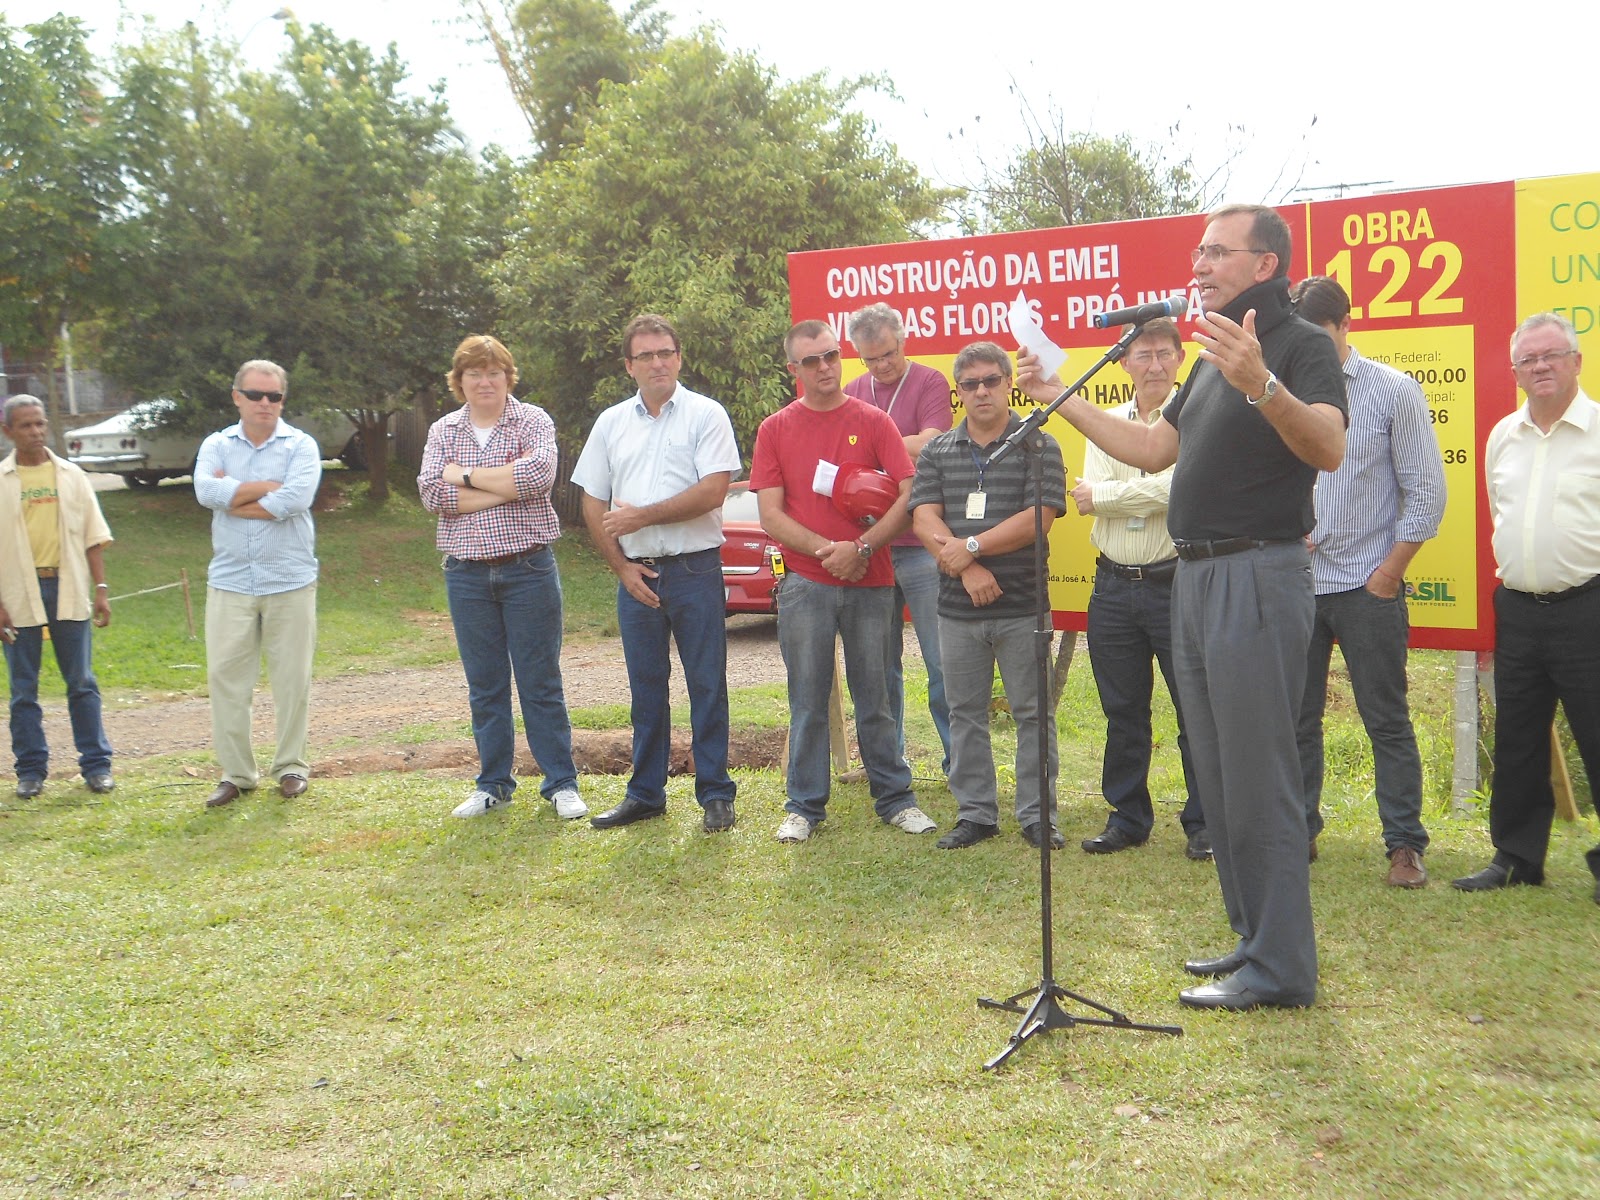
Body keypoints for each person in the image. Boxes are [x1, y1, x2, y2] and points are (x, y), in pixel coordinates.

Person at [1017, 204, 1347, 1011]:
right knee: (1223, 771)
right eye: (1197, 251)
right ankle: (1252, 938)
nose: (1198, 263)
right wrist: (1060, 397)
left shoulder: (1298, 346)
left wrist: (1261, 384)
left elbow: (1329, 447)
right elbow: (1155, 448)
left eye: (1216, 251)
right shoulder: (1208, 354)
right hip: (1192, 578)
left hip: (1255, 575)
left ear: (1264, 264)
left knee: (1259, 773)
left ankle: (1281, 969)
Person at [750, 320, 936, 843]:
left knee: (875, 694)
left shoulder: (874, 421)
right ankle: (804, 806)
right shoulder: (775, 429)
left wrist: (862, 548)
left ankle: (895, 799)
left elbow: (908, 493)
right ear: (794, 370)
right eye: (811, 360)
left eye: (831, 355)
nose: (825, 366)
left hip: (872, 579)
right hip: (806, 583)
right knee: (807, 698)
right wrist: (826, 552)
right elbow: (769, 512)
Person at [1290, 277, 1446, 888]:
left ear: (1345, 326)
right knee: (1296, 718)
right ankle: (1299, 829)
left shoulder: (1392, 390)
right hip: (1297, 581)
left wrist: (1389, 574)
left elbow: (1426, 492)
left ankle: (1404, 845)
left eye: (1319, 338)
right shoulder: (1281, 390)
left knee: (1385, 716)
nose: (1310, 351)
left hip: (1367, 582)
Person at [571, 314, 742, 833]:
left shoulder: (706, 415)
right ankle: (645, 793)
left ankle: (715, 793)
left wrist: (641, 516)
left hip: (695, 569)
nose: (657, 362)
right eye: (645, 355)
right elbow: (591, 500)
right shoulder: (610, 423)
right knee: (646, 688)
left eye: (665, 352)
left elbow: (713, 491)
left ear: (679, 357)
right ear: (630, 366)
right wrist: (621, 567)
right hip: (638, 575)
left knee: (706, 683)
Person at [1454, 312, 1600, 905]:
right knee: (1516, 736)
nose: (1540, 366)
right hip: (1517, 607)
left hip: (1588, 607)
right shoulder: (1502, 437)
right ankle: (1516, 857)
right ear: (1515, 371)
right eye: (1528, 359)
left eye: (1551, 355)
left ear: (1576, 362)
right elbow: (1501, 513)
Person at [418, 335, 587, 822]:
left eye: (493, 372)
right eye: (474, 373)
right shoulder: (444, 429)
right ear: (460, 381)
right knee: (485, 685)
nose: (484, 381)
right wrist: (504, 485)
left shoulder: (533, 420)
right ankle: (493, 784)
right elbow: (432, 494)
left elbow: (537, 480)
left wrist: (464, 476)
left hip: (528, 570)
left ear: (507, 376)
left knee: (540, 681)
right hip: (467, 576)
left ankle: (561, 783)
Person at [909, 343, 1066, 850]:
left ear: (1007, 383)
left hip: (1023, 605)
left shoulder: (1038, 444)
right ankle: (976, 813)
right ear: (959, 392)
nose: (981, 391)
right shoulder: (937, 451)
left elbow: (1038, 519)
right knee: (965, 713)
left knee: (1032, 714)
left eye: (991, 381)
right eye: (970, 384)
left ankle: (1038, 815)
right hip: (957, 611)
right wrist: (969, 566)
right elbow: (923, 517)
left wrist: (970, 546)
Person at [1074, 318, 1208, 861]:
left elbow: (1179, 489)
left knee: (1193, 708)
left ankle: (1203, 821)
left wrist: (1111, 495)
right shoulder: (1104, 423)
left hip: (1175, 583)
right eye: (1143, 355)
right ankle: (1127, 817)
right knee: (1122, 710)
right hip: (1111, 586)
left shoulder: (1197, 418)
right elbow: (1087, 492)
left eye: (1164, 355)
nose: (1154, 365)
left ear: (1180, 360)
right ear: (1125, 363)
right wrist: (1136, 491)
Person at [194, 361, 323, 808]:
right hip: (230, 580)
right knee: (226, 678)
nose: (264, 403)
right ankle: (237, 774)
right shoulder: (216, 444)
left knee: (292, 679)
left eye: (274, 396)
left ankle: (291, 766)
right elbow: (203, 492)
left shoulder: (301, 446)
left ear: (283, 400)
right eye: (255, 395)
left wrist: (236, 496)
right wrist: (265, 488)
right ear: (237, 397)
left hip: (290, 578)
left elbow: (296, 499)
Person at [844, 303, 953, 772]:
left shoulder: (929, 381)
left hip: (923, 545)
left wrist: (874, 444)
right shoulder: (852, 391)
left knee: (943, 663)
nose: (882, 365)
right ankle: (887, 764)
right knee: (877, 668)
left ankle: (960, 762)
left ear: (903, 342)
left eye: (888, 354)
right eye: (871, 359)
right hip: (871, 547)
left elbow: (935, 440)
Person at [0, 395, 115, 798]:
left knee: (82, 681)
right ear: (8, 431)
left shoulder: (71, 476)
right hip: (17, 596)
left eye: (40, 423)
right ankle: (30, 771)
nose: (35, 431)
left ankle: (96, 766)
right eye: (25, 425)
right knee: (22, 689)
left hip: (67, 589)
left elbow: (93, 538)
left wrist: (100, 590)